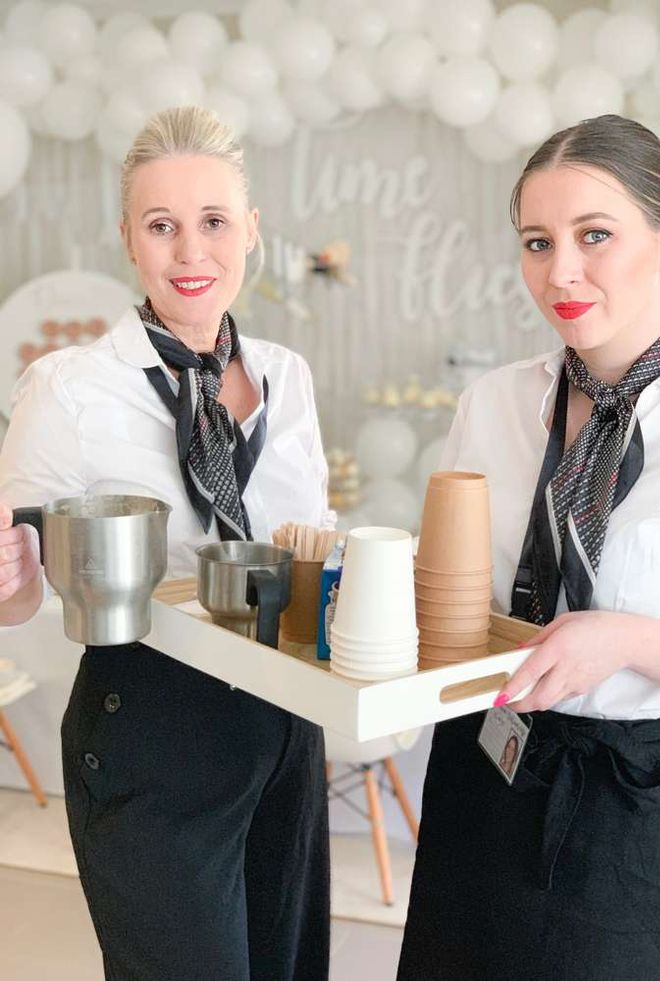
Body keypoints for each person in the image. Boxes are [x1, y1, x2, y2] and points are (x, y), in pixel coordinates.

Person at [398, 114, 660, 981]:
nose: (562, 273)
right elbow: (455, 594)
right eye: (538, 242)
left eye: (595, 236)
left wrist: (622, 639)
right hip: (484, 761)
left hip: (635, 801)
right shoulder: (494, 404)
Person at [0, 106, 332, 981]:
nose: (191, 252)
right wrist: (6, 577)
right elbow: (20, 589)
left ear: (250, 232)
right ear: (128, 239)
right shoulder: (67, 389)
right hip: (151, 731)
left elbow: (308, 547)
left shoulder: (285, 378)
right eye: (162, 226)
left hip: (285, 728)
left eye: (214, 222)